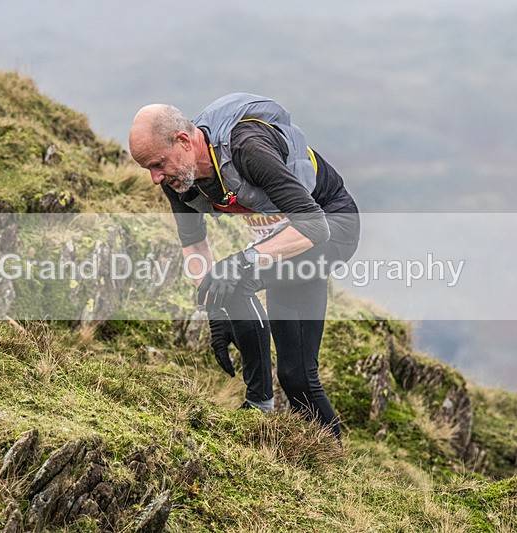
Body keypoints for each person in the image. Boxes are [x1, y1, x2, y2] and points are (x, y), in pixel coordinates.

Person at [129, 93, 360, 439]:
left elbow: (314, 226)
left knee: (236, 278)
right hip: (288, 236)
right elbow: (193, 242)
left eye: (158, 164)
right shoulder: (180, 178)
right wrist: (214, 311)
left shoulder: (248, 148)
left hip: (331, 228)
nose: (155, 178)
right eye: (149, 168)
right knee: (296, 375)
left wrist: (241, 261)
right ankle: (331, 463)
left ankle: (257, 405)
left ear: (183, 141)